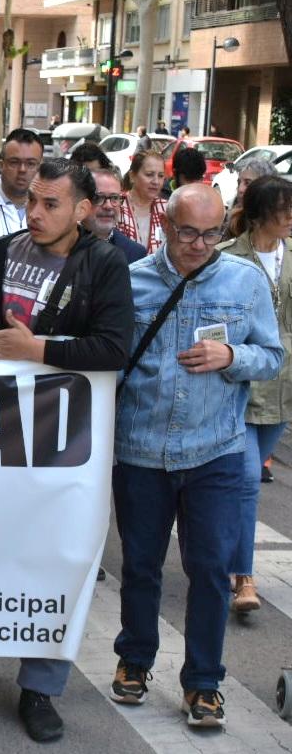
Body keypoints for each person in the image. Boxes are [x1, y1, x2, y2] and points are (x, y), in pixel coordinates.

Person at [0, 159, 133, 741]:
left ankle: (39, 688)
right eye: (31, 202)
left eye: (51, 205)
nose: (34, 213)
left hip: (65, 440)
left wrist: (33, 350)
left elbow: (114, 350)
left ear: (83, 211)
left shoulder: (106, 264)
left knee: (54, 556)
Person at [111, 184, 282, 729]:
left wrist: (232, 354)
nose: (199, 244)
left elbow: (272, 356)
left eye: (211, 234)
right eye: (187, 232)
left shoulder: (245, 280)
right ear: (165, 226)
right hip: (140, 449)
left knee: (209, 571)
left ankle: (203, 683)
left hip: (216, 451)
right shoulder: (131, 281)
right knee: (140, 566)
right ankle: (134, 660)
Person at [216, 175, 292, 614]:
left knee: (237, 487)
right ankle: (244, 577)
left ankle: (220, 551)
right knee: (247, 480)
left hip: (284, 389)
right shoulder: (228, 258)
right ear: (264, 212)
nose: (290, 217)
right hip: (239, 384)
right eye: (284, 208)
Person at [0, 129, 43, 237]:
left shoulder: (49, 208)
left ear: (40, 167)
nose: (22, 170)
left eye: (31, 164)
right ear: (1, 165)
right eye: (14, 162)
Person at [88, 168, 148, 264]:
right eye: (99, 197)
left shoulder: (135, 254)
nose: (108, 206)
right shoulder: (61, 244)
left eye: (115, 198)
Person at [117, 149, 168, 252]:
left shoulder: (168, 209)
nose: (156, 181)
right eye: (149, 174)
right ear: (132, 176)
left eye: (161, 176)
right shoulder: (116, 205)